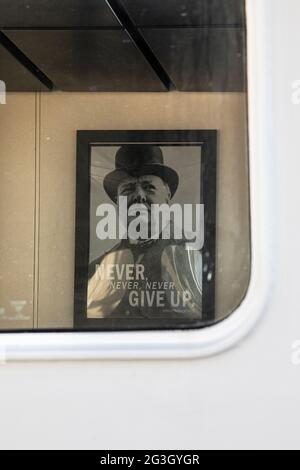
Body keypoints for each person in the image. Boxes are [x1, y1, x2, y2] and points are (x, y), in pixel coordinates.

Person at [88, 145, 202, 320]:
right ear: (118, 202)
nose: (138, 196)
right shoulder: (95, 271)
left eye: (149, 187)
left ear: (167, 195)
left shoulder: (197, 254)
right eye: (128, 190)